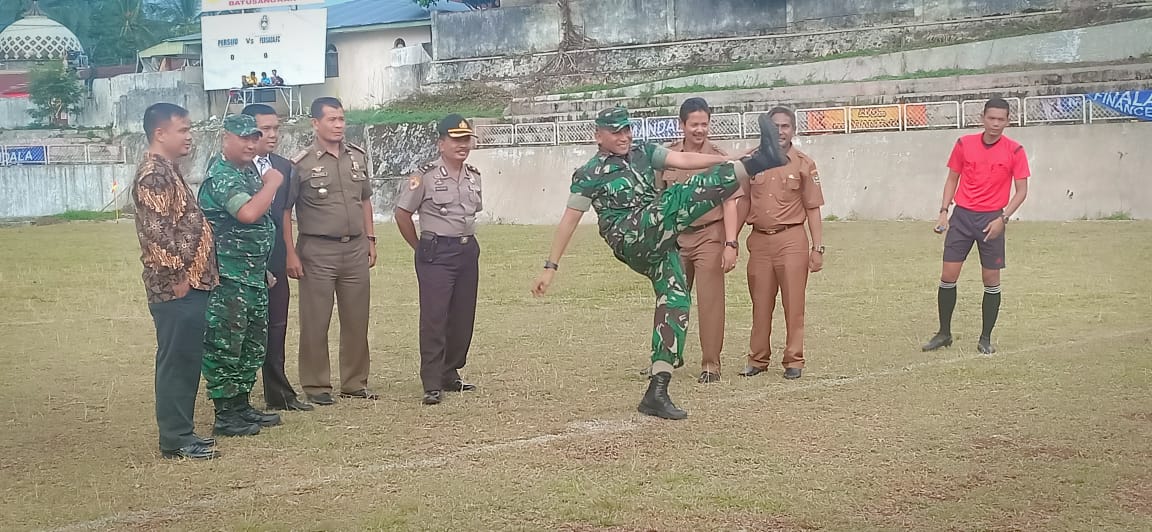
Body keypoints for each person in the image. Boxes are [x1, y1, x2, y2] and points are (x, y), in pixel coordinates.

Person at [531, 106, 787, 420]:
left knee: (676, 300)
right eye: (616, 132)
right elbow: (569, 220)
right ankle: (761, 161)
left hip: (660, 237)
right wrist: (550, 266)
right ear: (598, 135)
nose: (624, 137)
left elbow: (683, 160)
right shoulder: (589, 174)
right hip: (629, 234)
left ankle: (658, 388)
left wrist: (728, 159)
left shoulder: (644, 152)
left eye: (627, 130)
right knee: (675, 198)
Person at [132, 103, 220, 460]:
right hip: (176, 286)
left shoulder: (170, 170)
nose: (189, 136)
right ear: (160, 134)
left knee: (186, 358)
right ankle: (176, 437)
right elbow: (156, 232)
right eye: (183, 130)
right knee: (177, 360)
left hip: (192, 282)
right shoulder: (154, 174)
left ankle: (182, 432)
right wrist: (177, 276)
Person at [286, 97, 377, 405]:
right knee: (315, 320)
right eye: (332, 120)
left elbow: (365, 199)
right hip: (317, 249)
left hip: (354, 248)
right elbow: (286, 210)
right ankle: (316, 385)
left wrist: (371, 239)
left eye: (341, 119)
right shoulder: (301, 164)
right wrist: (290, 252)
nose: (339, 125)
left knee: (356, 319)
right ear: (315, 123)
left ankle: (354, 382)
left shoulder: (357, 157)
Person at [923, 97, 1030, 355]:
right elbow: (952, 179)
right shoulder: (964, 144)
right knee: (948, 276)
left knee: (990, 279)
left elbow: (1022, 190)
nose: (995, 124)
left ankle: (985, 338)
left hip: (991, 219)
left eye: (1001, 119)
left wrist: (1002, 219)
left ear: (1008, 121)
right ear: (982, 118)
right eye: (991, 118)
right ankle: (944, 333)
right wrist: (943, 212)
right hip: (961, 217)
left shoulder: (1015, 151)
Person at [198, 114, 283, 437]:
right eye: (243, 138)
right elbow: (247, 214)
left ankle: (241, 404)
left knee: (251, 343)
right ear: (225, 138)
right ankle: (225, 413)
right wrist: (272, 183)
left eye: (254, 138)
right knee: (225, 344)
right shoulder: (222, 176)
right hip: (229, 277)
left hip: (251, 275)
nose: (251, 144)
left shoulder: (245, 171)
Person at [394, 114, 483, 405]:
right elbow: (402, 214)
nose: (462, 145)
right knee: (434, 317)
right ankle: (432, 382)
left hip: (467, 250)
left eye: (466, 140)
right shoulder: (424, 176)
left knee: (462, 316)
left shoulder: (474, 175)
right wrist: (419, 246)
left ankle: (450, 371)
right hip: (436, 251)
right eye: (456, 140)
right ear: (441, 143)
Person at [659, 97, 744, 384]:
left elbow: (731, 203)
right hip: (676, 238)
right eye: (694, 124)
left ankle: (711, 365)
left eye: (704, 124)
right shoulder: (667, 156)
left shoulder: (719, 157)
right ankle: (665, 360)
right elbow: (657, 201)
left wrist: (731, 244)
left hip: (710, 235)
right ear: (681, 125)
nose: (699, 130)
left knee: (710, 302)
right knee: (671, 301)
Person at [737, 106, 825, 381]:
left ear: (793, 130)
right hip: (760, 240)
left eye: (785, 126)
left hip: (792, 239)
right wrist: (730, 240)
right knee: (760, 303)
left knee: (793, 303)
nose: (780, 132)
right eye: (774, 126)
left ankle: (794, 359)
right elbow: (743, 202)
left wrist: (817, 247)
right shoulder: (753, 161)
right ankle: (757, 358)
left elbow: (813, 208)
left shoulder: (803, 163)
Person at [242, 104, 313, 412]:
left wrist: (289, 253)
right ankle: (237, 398)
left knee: (276, 324)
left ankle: (278, 392)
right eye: (264, 129)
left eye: (275, 128)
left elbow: (284, 214)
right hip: (242, 259)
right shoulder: (233, 166)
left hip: (274, 256)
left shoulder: (284, 166)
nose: (271, 135)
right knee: (242, 328)